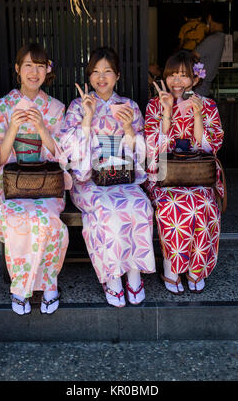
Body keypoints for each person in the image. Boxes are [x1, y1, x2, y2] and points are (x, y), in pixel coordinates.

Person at [0, 43, 72, 315]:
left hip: (46, 185)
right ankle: (21, 287)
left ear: (47, 71)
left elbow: (61, 154)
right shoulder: (2, 106)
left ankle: (49, 284)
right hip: (14, 186)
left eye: (40, 66)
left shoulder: (54, 108)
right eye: (28, 65)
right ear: (17, 69)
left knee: (48, 222)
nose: (34, 72)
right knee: (20, 221)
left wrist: (42, 129)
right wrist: (13, 130)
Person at [61, 47, 156, 307]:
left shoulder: (130, 107)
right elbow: (68, 148)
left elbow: (142, 152)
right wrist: (87, 119)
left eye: (107, 72)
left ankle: (134, 274)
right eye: (95, 72)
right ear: (89, 76)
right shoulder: (78, 106)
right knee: (107, 210)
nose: (101, 77)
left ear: (118, 76)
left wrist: (127, 128)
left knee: (139, 205)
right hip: (90, 180)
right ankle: (113, 278)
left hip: (122, 177)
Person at [144, 50, 224, 294]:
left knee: (205, 206)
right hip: (165, 176)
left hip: (198, 175)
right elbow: (152, 149)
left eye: (183, 75)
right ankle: (171, 268)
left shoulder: (208, 105)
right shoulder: (155, 104)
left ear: (196, 79)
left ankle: (195, 270)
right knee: (174, 207)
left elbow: (211, 147)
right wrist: (167, 114)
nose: (176, 81)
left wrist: (198, 114)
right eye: (172, 75)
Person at [194, 3, 227, 97]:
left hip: (198, 91)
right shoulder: (221, 38)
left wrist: (197, 76)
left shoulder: (213, 39)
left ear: (209, 17)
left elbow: (193, 57)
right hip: (204, 90)